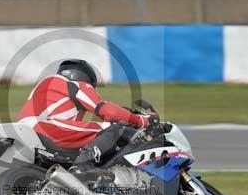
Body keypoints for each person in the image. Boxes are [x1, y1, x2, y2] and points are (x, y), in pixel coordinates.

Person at [17, 59, 150, 174]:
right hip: (46, 127)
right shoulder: (74, 84)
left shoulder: (46, 85)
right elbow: (107, 111)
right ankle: (82, 167)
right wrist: (141, 120)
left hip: (25, 130)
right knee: (115, 129)